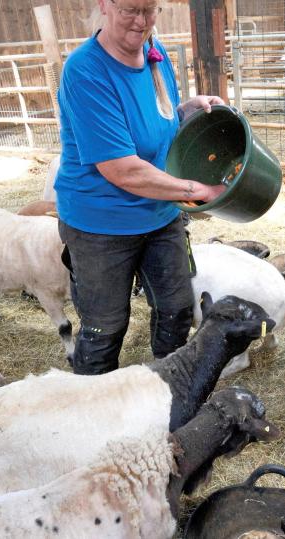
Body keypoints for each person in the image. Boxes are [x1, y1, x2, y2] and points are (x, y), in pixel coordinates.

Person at [55, 0, 227, 375]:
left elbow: (156, 122)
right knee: (105, 327)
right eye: (131, 9)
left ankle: (168, 387)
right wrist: (198, 190)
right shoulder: (85, 70)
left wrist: (188, 109)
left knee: (177, 309)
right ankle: (92, 396)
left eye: (150, 9)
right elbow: (123, 170)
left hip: (159, 212)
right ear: (105, 4)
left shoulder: (154, 51)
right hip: (100, 222)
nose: (141, 21)